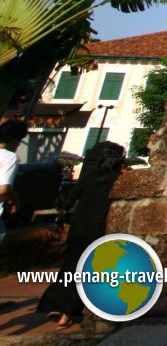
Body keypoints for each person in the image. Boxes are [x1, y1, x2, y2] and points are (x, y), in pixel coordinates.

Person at [37, 140, 126, 328]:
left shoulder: (88, 177)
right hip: (98, 228)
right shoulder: (118, 181)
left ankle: (58, 305)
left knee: (71, 265)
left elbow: (69, 200)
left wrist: (62, 214)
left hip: (78, 226)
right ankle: (70, 311)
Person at [0, 119, 29, 247]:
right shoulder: (9, 157)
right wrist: (14, 197)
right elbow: (3, 189)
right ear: (14, 138)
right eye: (20, 139)